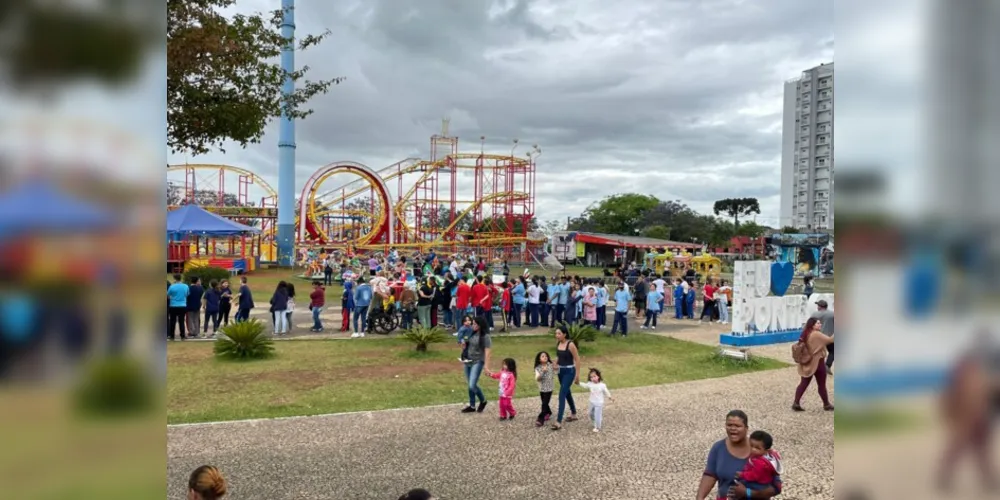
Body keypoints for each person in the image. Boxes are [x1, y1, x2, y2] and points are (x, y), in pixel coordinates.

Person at [697, 410, 783, 500]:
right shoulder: (718, 448)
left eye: (737, 426)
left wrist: (748, 493)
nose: (733, 428)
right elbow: (710, 475)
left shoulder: (760, 451)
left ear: (746, 428)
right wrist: (699, 497)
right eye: (729, 425)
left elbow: (776, 487)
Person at [792, 317, 834, 412]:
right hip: (817, 362)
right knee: (821, 384)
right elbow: (831, 340)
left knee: (804, 383)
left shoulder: (806, 333)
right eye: (818, 323)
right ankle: (826, 404)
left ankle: (796, 402)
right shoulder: (816, 334)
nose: (820, 324)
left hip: (807, 362)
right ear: (813, 325)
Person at [460, 317, 492, 413]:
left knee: (472, 385)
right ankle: (472, 405)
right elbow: (468, 345)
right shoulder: (471, 333)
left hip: (477, 361)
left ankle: (483, 400)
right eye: (472, 323)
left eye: (475, 324)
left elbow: (488, 352)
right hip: (468, 360)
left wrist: (486, 366)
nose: (472, 325)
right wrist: (464, 346)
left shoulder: (485, 337)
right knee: (470, 383)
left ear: (480, 325)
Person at [551, 325, 580, 430]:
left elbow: (577, 359)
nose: (557, 335)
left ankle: (558, 421)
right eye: (556, 333)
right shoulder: (558, 343)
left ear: (564, 334)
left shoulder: (570, 344)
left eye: (559, 333)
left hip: (569, 371)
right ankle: (574, 413)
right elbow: (559, 356)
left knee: (562, 393)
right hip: (560, 371)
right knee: (567, 392)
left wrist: (577, 375)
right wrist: (555, 363)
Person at [578, 367, 612, 432]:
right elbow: (585, 385)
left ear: (598, 376)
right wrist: (578, 383)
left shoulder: (602, 385)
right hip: (591, 402)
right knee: (590, 413)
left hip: (599, 403)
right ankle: (594, 422)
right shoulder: (590, 384)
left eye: (594, 376)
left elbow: (606, 391)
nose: (593, 378)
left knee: (598, 415)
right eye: (591, 377)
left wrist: (610, 397)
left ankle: (598, 427)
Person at [811, 299, 835, 374]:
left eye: (818, 305)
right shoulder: (832, 314)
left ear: (820, 307)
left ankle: (813, 367)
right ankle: (827, 365)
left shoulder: (814, 314)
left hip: (818, 336)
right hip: (829, 337)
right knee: (833, 351)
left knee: (816, 353)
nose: (817, 307)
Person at [533, 351, 555, 427]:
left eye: (546, 356)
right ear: (539, 359)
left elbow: (556, 372)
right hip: (542, 388)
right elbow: (537, 379)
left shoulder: (550, 365)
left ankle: (540, 419)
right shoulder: (538, 368)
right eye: (543, 356)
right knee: (544, 403)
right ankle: (548, 412)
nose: (545, 357)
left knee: (544, 404)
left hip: (549, 388)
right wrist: (543, 371)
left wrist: (557, 367)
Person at [167, 273, 190, 341]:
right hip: (182, 305)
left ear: (174, 279)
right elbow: (187, 294)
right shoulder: (185, 286)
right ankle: (182, 336)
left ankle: (172, 336)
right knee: (181, 321)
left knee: (172, 321)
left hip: (173, 305)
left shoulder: (172, 286)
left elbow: (168, 296)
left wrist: (172, 297)